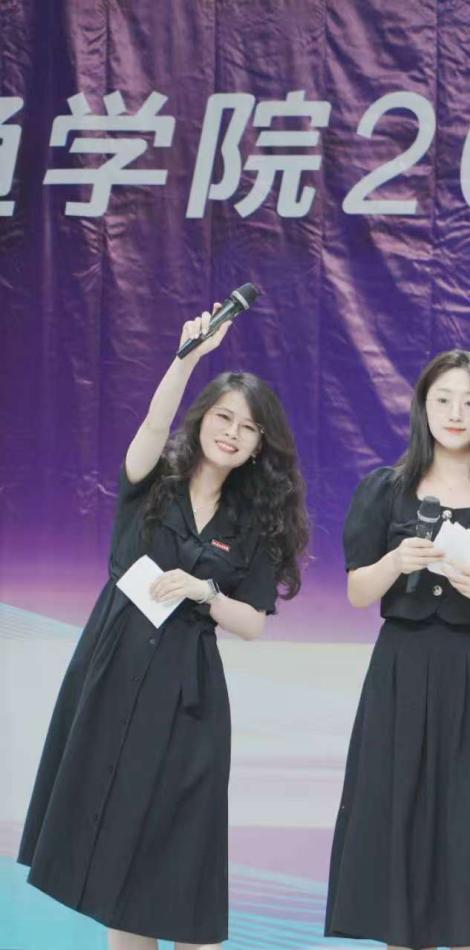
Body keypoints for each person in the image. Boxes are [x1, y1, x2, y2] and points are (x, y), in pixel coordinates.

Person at [18, 309, 310, 950]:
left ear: (259, 446)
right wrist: (186, 358)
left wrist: (206, 592)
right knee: (121, 861)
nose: (232, 433)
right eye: (223, 417)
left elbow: (253, 623)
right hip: (114, 667)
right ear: (202, 419)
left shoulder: (254, 520)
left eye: (248, 427)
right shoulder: (152, 480)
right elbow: (154, 425)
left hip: (188, 689)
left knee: (182, 861)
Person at [326, 349, 470, 950]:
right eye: (443, 400)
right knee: (399, 819)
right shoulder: (387, 489)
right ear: (423, 407)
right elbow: (357, 591)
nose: (455, 414)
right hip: (400, 670)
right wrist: (396, 562)